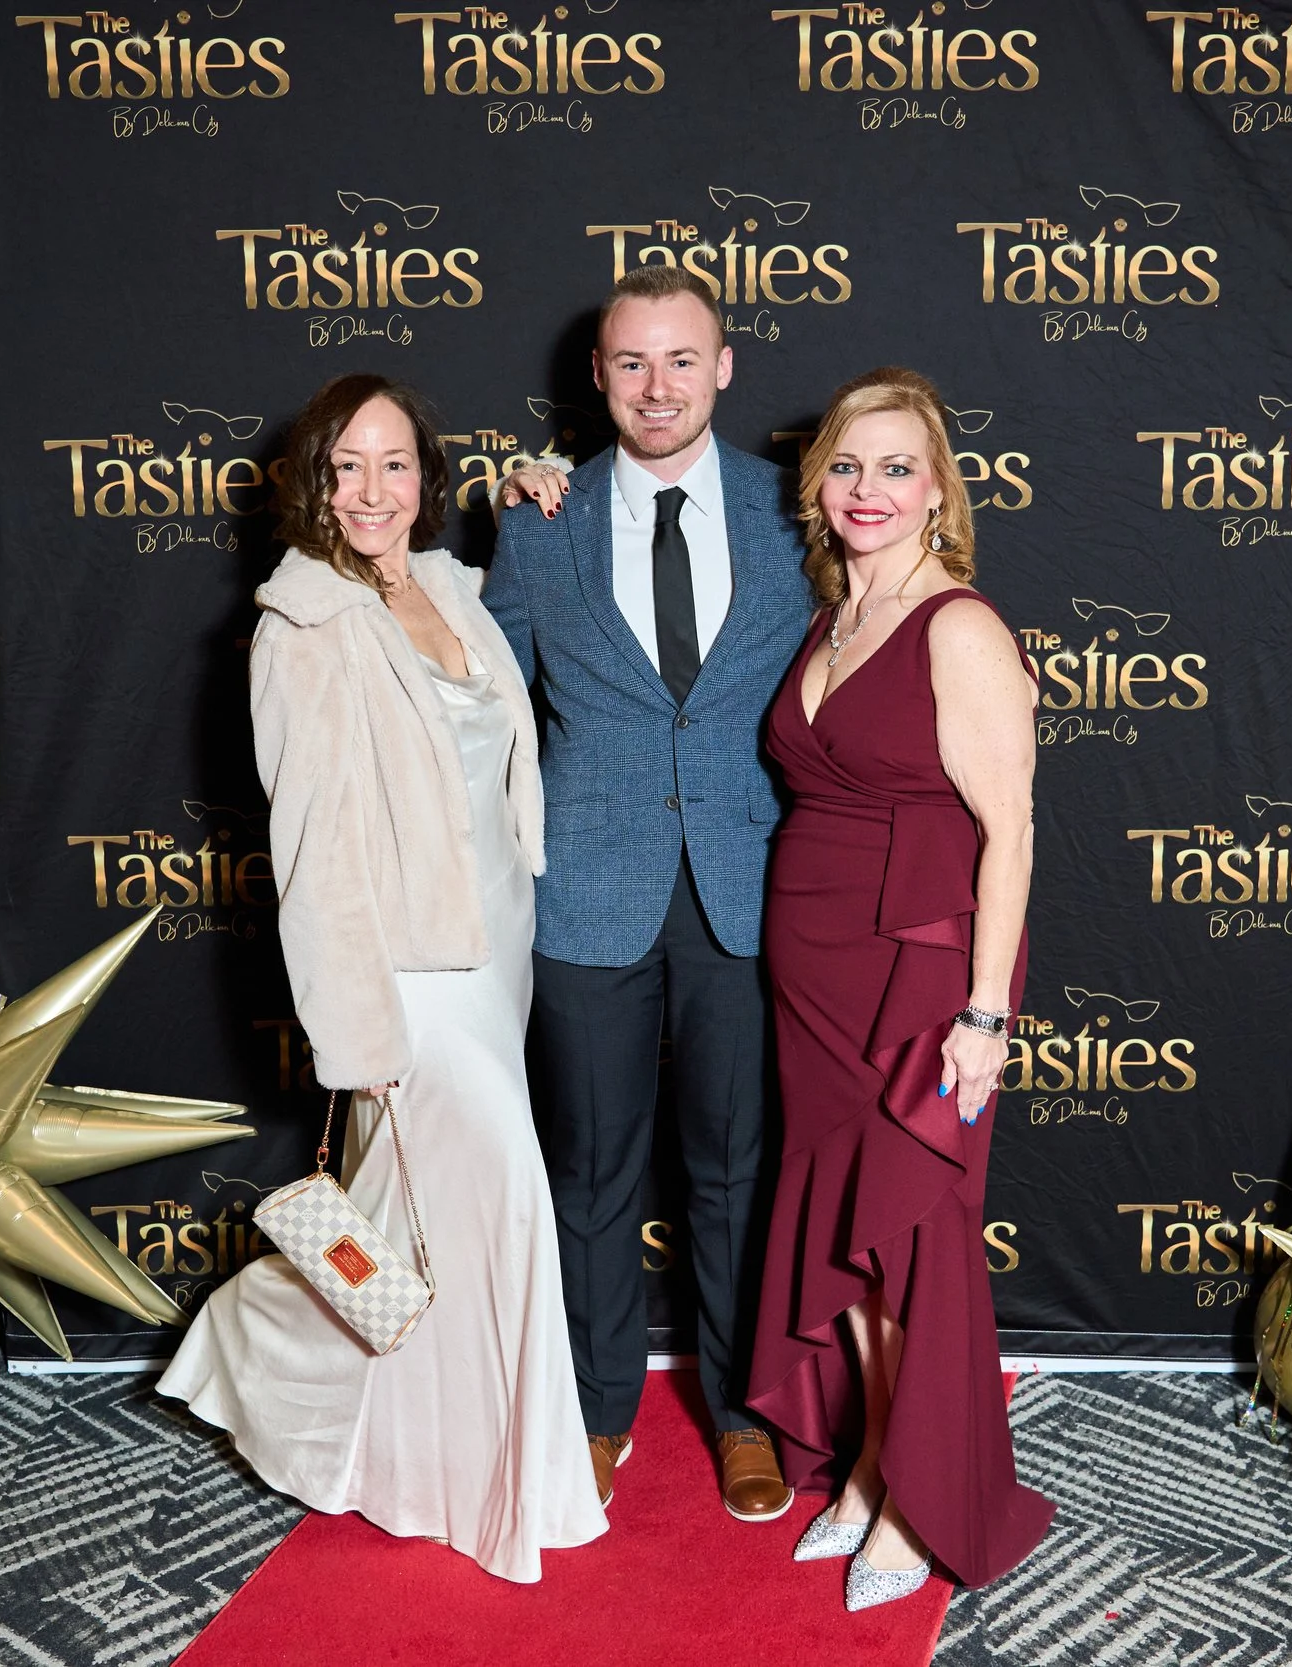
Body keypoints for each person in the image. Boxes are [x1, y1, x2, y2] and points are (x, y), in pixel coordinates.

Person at [158, 373, 606, 1584]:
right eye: (345, 465)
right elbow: (313, 846)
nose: (370, 490)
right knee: (504, 1199)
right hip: (406, 972)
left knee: (428, 1225)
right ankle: (493, 1480)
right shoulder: (300, 627)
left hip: (495, 942)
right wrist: (355, 1034)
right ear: (313, 481)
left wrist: (533, 489)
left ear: (426, 475)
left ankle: (419, 1460)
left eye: (394, 462)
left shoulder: (449, 586)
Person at [485, 266, 814, 1521]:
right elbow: (488, 701)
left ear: (723, 367)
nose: (657, 386)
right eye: (632, 362)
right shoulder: (539, 519)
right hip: (586, 887)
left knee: (736, 1170)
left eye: (682, 359)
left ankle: (743, 1413)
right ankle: (595, 1407)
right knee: (589, 1171)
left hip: (747, 882)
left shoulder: (795, 509)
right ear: (598, 376)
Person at [746, 368, 1054, 1611]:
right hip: (814, 972)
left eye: (895, 467)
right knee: (855, 1237)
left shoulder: (957, 625)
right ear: (818, 483)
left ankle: (928, 1504)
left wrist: (983, 1013)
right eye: (846, 465)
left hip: (921, 966)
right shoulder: (835, 611)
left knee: (915, 1232)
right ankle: (875, 1467)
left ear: (938, 492)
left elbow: (1010, 830)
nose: (866, 489)